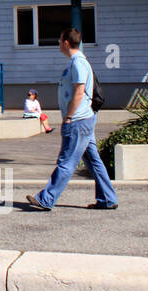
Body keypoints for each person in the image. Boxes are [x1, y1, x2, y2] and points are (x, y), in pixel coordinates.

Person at [26, 28, 118, 211]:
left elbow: (79, 91)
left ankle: (47, 198)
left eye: (60, 40)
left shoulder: (78, 63)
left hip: (77, 121)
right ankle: (107, 198)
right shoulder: (77, 62)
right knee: (93, 161)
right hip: (83, 120)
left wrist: (68, 117)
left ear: (66, 43)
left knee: (66, 161)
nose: (59, 44)